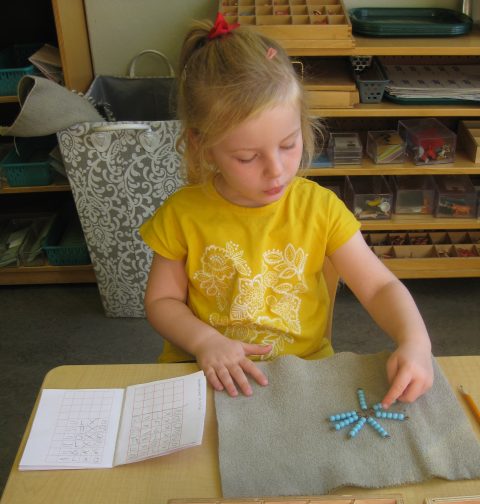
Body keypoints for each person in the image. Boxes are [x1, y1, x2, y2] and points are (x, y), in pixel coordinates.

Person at [140, 13, 433, 405]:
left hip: (303, 373)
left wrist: (415, 341)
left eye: (289, 143)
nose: (276, 170)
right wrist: (205, 340)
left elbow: (379, 286)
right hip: (202, 369)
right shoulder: (181, 214)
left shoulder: (320, 209)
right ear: (201, 145)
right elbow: (162, 302)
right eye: (247, 157)